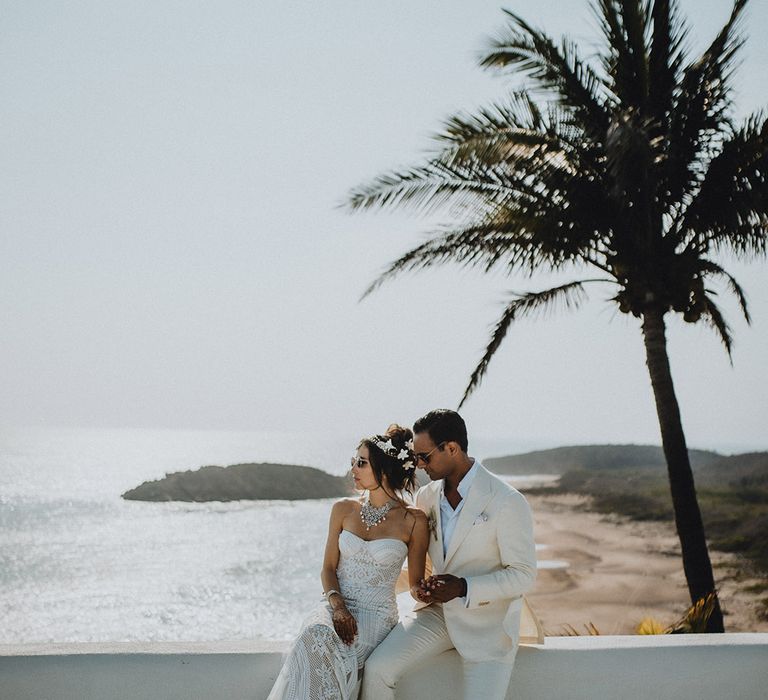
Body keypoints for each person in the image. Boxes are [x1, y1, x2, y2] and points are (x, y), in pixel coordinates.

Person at [361, 409, 537, 700]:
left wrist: (463, 587)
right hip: (438, 617)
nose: (418, 465)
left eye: (424, 457)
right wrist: (426, 588)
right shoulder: (426, 497)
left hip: (488, 631)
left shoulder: (507, 500)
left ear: (452, 448)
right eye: (416, 457)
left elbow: (523, 575)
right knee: (377, 668)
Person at [267, 424, 429, 700]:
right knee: (314, 634)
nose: (353, 468)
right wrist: (338, 607)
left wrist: (431, 590)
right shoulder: (343, 509)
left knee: (330, 645)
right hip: (334, 606)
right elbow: (328, 569)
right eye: (353, 461)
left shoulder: (414, 520)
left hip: (375, 616)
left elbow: (415, 584)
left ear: (385, 468)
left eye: (362, 463)